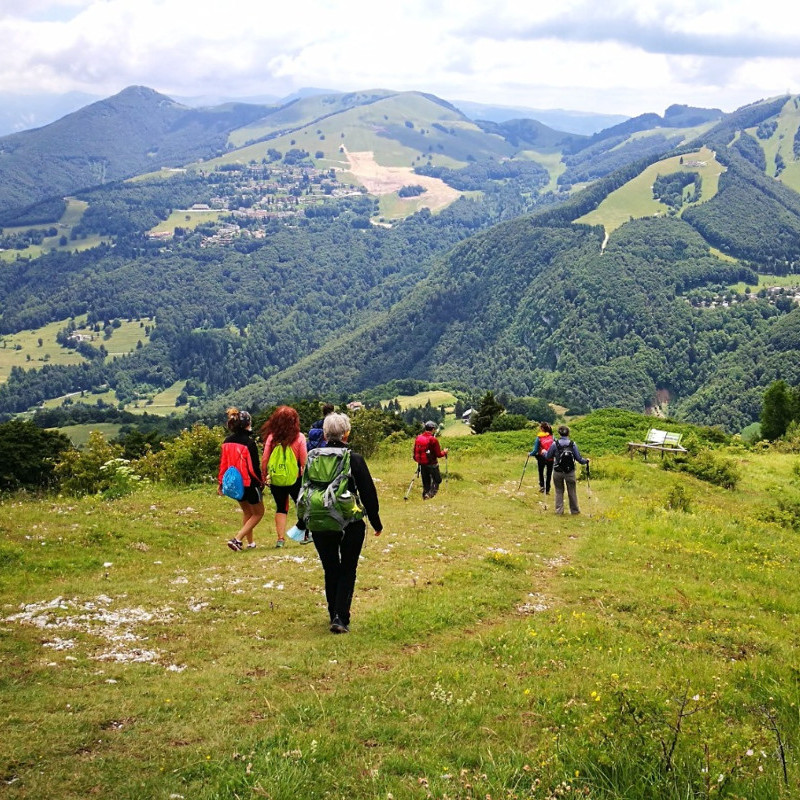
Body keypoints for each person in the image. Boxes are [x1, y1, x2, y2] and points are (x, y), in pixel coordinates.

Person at [307, 412, 382, 633]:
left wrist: (303, 522)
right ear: (346, 434)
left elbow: (306, 490)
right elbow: (368, 493)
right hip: (350, 521)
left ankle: (333, 614)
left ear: (325, 434)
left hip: (320, 521)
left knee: (330, 569)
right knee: (348, 568)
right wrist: (376, 522)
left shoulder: (312, 456)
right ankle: (341, 617)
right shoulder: (353, 459)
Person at [260, 405, 308, 548]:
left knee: (281, 507)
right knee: (302, 506)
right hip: (295, 478)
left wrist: (264, 475)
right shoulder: (299, 437)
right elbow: (304, 461)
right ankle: (304, 533)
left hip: (277, 479)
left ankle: (280, 539)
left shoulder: (271, 438)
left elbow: (265, 459)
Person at [218, 408, 264, 551]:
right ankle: (237, 539)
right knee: (258, 513)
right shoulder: (249, 443)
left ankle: (250, 543)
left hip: (235, 484)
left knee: (247, 513)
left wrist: (221, 483)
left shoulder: (227, 442)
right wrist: (261, 482)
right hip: (249, 483)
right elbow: (253, 467)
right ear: (247, 424)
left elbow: (223, 465)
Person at [545, 425, 589, 515]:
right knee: (572, 491)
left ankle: (559, 511)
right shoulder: (573, 444)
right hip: (570, 472)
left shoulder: (554, 444)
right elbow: (579, 459)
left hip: (557, 471)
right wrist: (586, 461)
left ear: (559, 433)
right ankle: (575, 511)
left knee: (559, 490)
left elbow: (548, 456)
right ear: (568, 433)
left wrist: (543, 452)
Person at [413, 420, 448, 500]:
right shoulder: (433, 440)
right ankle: (429, 495)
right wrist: (444, 452)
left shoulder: (419, 438)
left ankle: (425, 495)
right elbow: (438, 454)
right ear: (432, 429)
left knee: (426, 482)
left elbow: (415, 451)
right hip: (432, 463)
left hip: (422, 463)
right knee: (437, 480)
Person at [529, 421, 555, 495]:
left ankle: (542, 486)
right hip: (551, 458)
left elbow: (535, 450)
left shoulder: (539, 437)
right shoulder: (552, 437)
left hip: (541, 457)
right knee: (549, 473)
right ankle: (547, 489)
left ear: (542, 428)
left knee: (541, 472)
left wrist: (530, 454)